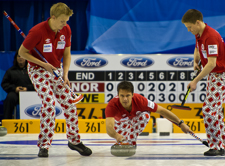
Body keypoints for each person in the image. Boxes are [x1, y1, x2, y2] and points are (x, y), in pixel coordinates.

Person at [18, 2, 92, 157]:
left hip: (56, 70)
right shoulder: (37, 31)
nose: (65, 24)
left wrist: (65, 74)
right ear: (53, 17)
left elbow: (67, 53)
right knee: (50, 105)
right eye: (62, 21)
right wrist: (43, 64)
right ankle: (44, 144)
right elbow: (22, 53)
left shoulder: (66, 29)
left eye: (66, 21)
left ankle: (74, 141)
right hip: (38, 69)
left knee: (70, 105)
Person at [181, 9, 225, 156]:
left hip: (221, 76)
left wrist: (195, 81)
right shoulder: (200, 33)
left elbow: (211, 64)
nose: (189, 30)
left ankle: (216, 146)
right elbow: (197, 46)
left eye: (190, 27)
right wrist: (195, 60)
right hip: (214, 76)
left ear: (198, 22)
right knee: (215, 112)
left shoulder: (210, 37)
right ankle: (224, 146)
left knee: (208, 111)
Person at [105, 81, 192, 147]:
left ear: (132, 95)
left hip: (135, 121)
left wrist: (181, 123)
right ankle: (123, 140)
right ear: (118, 95)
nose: (125, 99)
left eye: (127, 95)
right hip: (121, 124)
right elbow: (109, 127)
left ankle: (131, 141)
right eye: (122, 96)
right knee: (119, 134)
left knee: (145, 116)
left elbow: (162, 111)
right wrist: (116, 136)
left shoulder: (141, 101)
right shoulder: (112, 105)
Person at [1, 51, 35, 119]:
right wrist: (15, 88)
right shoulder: (10, 71)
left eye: (22, 56)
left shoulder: (31, 71)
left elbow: (36, 84)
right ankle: (7, 121)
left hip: (29, 93)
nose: (20, 58)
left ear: (26, 58)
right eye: (18, 56)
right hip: (16, 94)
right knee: (9, 98)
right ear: (16, 58)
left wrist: (27, 89)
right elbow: (4, 84)